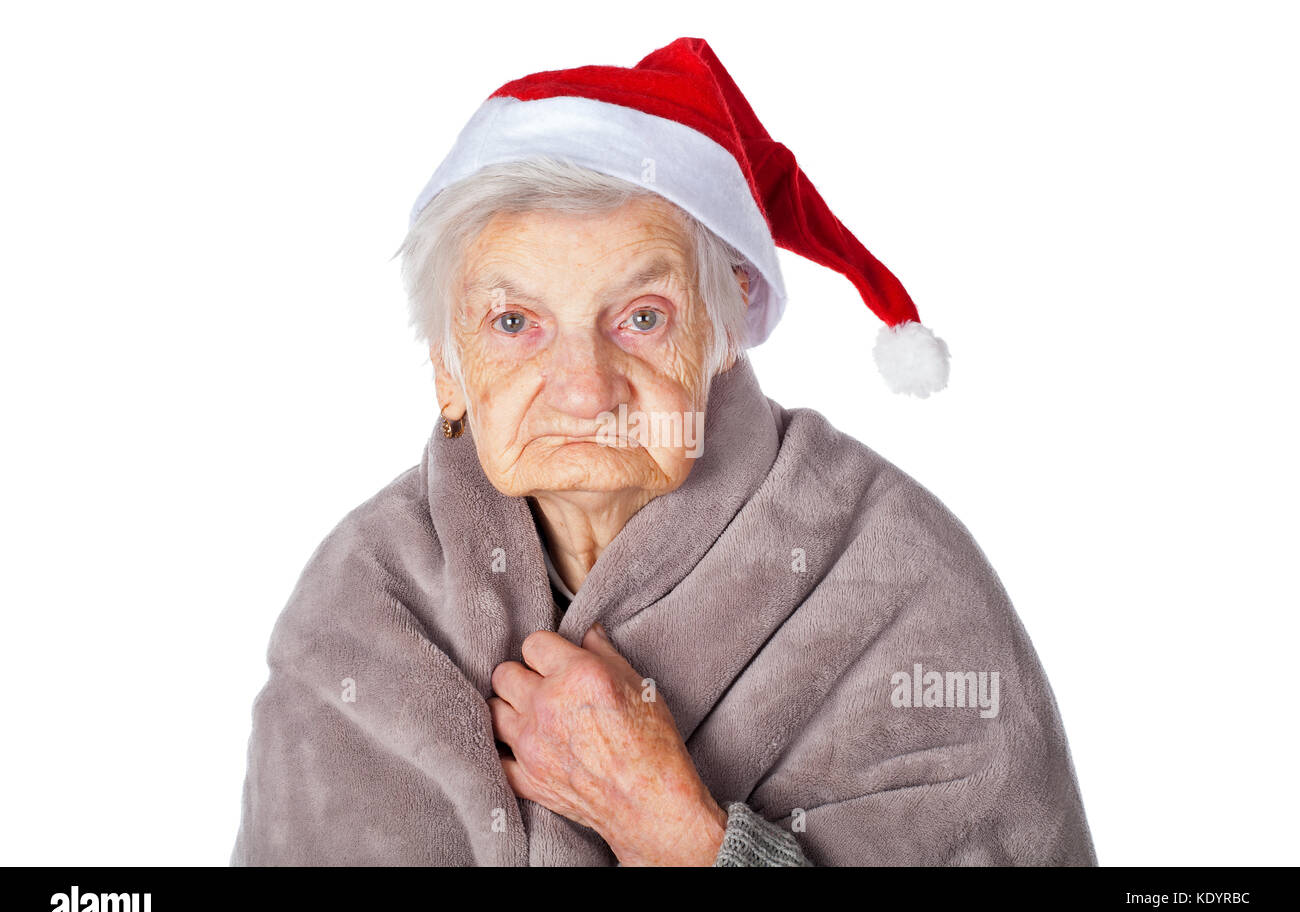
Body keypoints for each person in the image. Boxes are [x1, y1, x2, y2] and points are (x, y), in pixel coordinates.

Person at [230, 37, 1096, 867]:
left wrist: (684, 837)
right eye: (514, 323)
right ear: (447, 371)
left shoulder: (895, 572)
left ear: (723, 333)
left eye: (642, 318)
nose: (583, 388)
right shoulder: (359, 603)